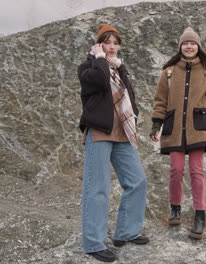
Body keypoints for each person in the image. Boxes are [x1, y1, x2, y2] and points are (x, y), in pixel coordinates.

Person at [78, 24, 149, 262]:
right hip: (99, 132)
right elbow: (98, 81)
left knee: (137, 180)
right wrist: (99, 58)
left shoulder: (119, 69)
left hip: (122, 133)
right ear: (99, 44)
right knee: (97, 189)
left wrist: (135, 116)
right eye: (107, 42)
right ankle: (93, 243)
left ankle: (126, 232)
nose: (112, 47)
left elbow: (129, 98)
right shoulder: (88, 68)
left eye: (115, 43)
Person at [150, 27, 206, 240]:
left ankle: (200, 216)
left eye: (192, 43)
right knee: (175, 169)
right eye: (185, 43)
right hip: (174, 128)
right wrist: (156, 125)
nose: (189, 46)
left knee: (196, 171)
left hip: (199, 128)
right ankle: (175, 209)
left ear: (198, 46)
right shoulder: (169, 72)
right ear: (180, 46)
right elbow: (160, 101)